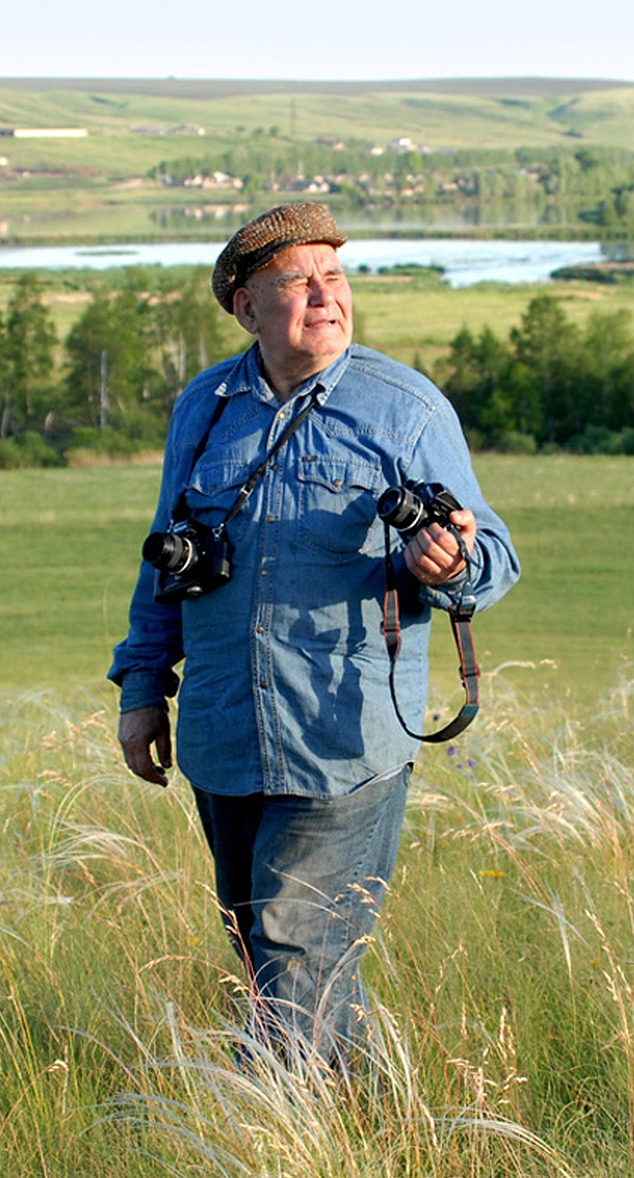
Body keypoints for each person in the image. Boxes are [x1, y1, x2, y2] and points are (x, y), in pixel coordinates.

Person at [109, 202, 519, 1065]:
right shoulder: (205, 410)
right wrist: (144, 688)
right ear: (245, 307)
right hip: (225, 728)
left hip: (343, 735)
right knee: (273, 954)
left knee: (296, 942)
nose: (325, 297)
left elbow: (496, 558)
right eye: (297, 281)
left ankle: (278, 1145)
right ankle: (366, 1131)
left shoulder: (405, 408)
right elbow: (165, 561)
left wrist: (448, 569)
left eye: (334, 277)